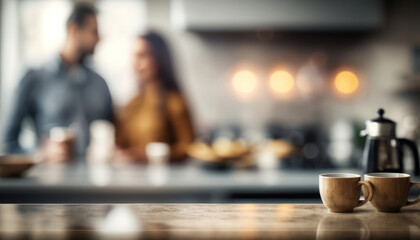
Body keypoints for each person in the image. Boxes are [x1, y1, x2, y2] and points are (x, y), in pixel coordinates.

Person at [2, 4, 114, 162]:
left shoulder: (100, 83)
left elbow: (114, 135)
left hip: (95, 181)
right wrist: (40, 153)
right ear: (73, 29)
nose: (99, 39)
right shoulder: (34, 78)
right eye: (94, 32)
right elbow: (9, 142)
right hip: (48, 182)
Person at [115, 32, 194, 163]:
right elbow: (122, 142)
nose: (136, 63)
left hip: (165, 180)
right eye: (134, 56)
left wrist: (150, 154)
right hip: (133, 178)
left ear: (159, 58)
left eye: (142, 56)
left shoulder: (174, 102)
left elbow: (188, 147)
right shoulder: (132, 103)